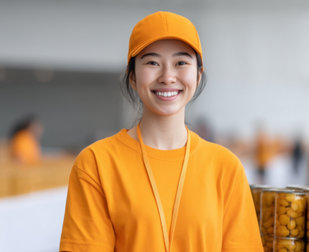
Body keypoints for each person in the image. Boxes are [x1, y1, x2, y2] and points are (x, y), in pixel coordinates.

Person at [60, 11, 263, 252]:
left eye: (181, 63)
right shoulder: (96, 164)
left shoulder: (225, 168)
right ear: (133, 77)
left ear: (198, 76)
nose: (167, 77)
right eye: (152, 62)